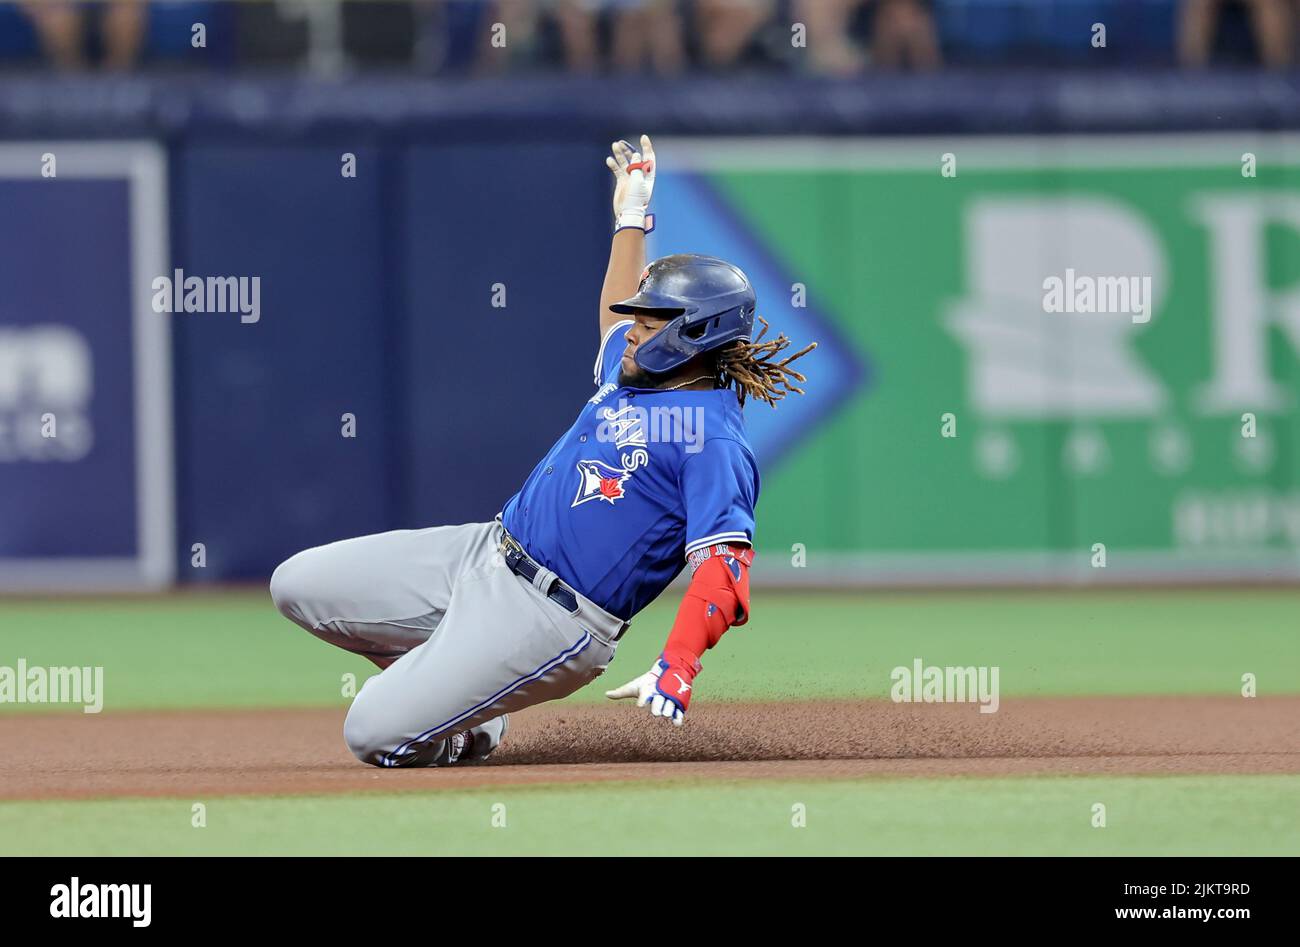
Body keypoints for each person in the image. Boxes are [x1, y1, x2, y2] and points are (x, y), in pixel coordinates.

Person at [270, 135, 815, 767]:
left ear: (697, 333)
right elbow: (612, 312)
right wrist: (631, 216)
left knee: (370, 733)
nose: (632, 329)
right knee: (298, 585)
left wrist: (678, 665)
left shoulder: (712, 439)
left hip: (554, 619)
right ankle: (463, 702)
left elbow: (725, 570)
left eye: (650, 320)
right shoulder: (632, 370)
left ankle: (464, 720)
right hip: (485, 551)